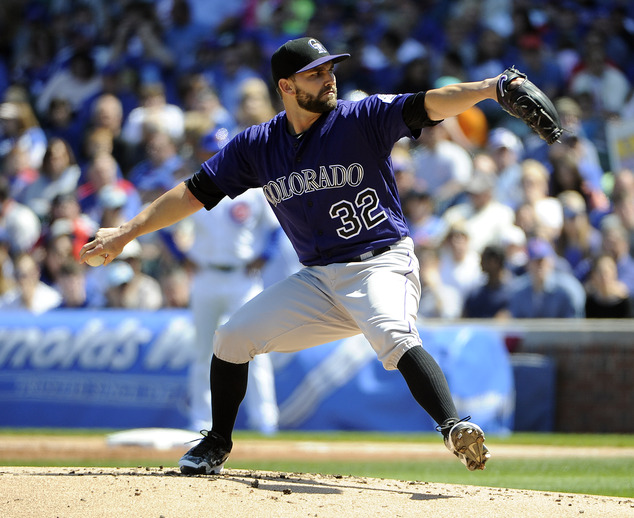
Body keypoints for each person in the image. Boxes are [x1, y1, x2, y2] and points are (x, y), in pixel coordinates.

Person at [80, 36, 518, 474]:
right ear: (286, 86)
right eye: (316, 73)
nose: (329, 79)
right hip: (319, 279)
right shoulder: (258, 145)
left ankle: (452, 426)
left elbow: (429, 104)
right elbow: (193, 192)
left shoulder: (359, 118)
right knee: (231, 339)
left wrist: (489, 87)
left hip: (380, 263)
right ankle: (216, 442)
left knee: (393, 334)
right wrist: (126, 232)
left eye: (331, 70)